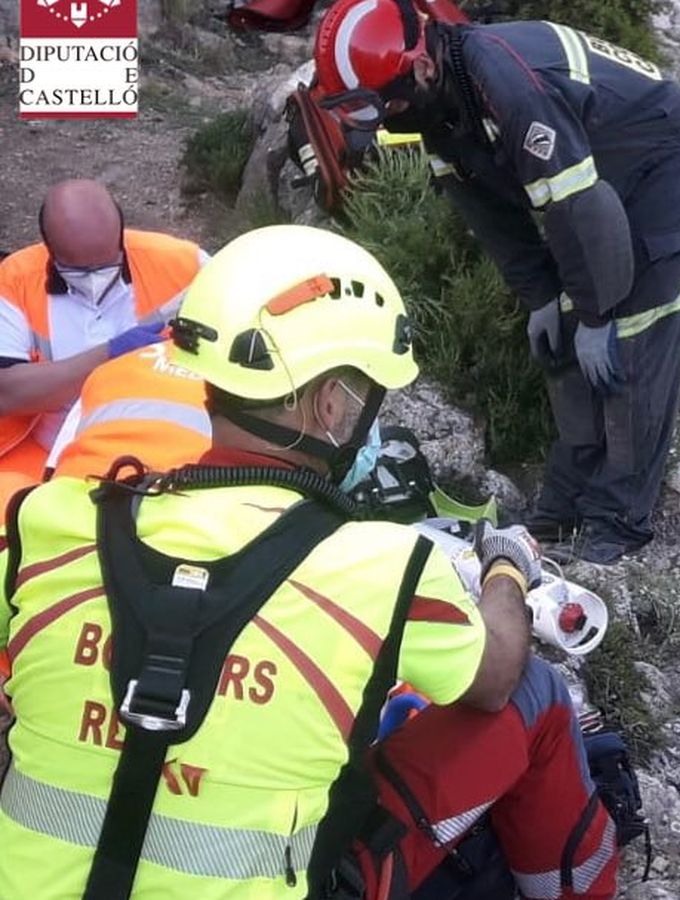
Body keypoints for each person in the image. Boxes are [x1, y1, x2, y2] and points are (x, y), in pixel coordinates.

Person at [0, 224, 617, 900]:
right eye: (367, 396)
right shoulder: (383, 565)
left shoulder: (49, 520)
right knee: (536, 693)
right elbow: (496, 678)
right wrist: (506, 568)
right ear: (330, 403)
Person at [311, 0, 680, 564]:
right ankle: (564, 505)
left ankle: (618, 521)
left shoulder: (509, 86)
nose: (379, 120)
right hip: (589, 171)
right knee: (563, 339)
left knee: (636, 332)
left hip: (661, 157)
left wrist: (598, 316)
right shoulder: (438, 104)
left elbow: (584, 209)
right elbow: (489, 212)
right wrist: (542, 298)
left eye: (379, 105)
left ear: (420, 67)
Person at [0, 180, 207, 504]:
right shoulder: (15, 279)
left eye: (104, 265)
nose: (94, 278)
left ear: (121, 234)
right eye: (78, 269)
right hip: (48, 453)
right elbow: (7, 391)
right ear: (48, 248)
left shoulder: (187, 264)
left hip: (167, 448)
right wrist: (109, 355)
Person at [44, 338, 211, 480]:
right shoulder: (228, 384)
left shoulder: (110, 369)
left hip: (72, 502)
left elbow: (51, 472)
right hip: (173, 506)